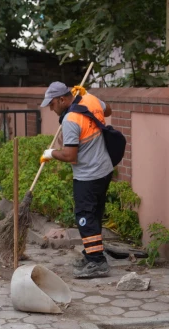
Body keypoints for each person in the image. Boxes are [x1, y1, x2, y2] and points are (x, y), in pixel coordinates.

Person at [39, 82, 113, 279]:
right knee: (94, 215)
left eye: (52, 104)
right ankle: (91, 255)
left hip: (88, 174)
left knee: (84, 217)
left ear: (62, 99)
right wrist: (87, 97)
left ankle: (97, 262)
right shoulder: (90, 100)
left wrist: (51, 153)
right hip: (104, 169)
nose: (51, 109)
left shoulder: (70, 119)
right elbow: (108, 110)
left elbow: (70, 155)